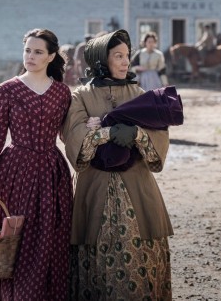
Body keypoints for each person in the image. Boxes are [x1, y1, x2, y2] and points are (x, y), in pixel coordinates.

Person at [0, 28, 73, 300]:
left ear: (51, 57)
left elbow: (67, 133)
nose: (30, 56)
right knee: (10, 238)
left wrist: (90, 125)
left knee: (47, 240)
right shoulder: (8, 90)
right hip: (15, 173)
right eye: (27, 50)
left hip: (51, 175)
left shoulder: (62, 92)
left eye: (38, 52)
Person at [62, 29, 173, 300]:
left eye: (127, 56)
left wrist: (136, 133)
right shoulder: (80, 96)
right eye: (118, 56)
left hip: (138, 186)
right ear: (102, 59)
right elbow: (74, 137)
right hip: (94, 187)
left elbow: (159, 135)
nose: (125, 62)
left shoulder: (139, 93)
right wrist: (105, 133)